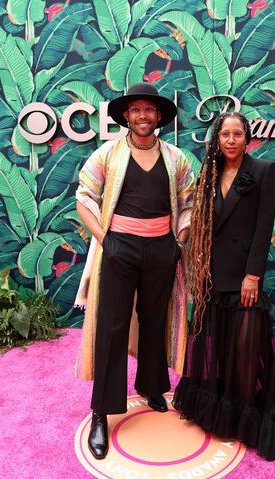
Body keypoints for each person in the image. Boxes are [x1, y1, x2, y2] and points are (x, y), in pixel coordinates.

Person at [173, 112, 275, 461]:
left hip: (243, 274)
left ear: (247, 137)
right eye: (224, 134)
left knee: (244, 343)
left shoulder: (263, 170)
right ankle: (222, 406)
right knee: (218, 340)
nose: (230, 140)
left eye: (237, 133)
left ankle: (245, 408)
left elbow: (263, 225)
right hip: (212, 272)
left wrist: (252, 276)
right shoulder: (208, 174)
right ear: (217, 139)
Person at [75, 83, 194, 460]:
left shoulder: (177, 158)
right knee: (111, 327)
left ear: (159, 116)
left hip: (162, 247)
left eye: (150, 110)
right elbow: (84, 197)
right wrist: (104, 239)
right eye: (136, 110)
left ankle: (153, 386)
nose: (143, 116)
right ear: (126, 115)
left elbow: (188, 203)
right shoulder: (107, 154)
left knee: (155, 318)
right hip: (119, 248)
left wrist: (180, 238)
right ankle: (101, 412)